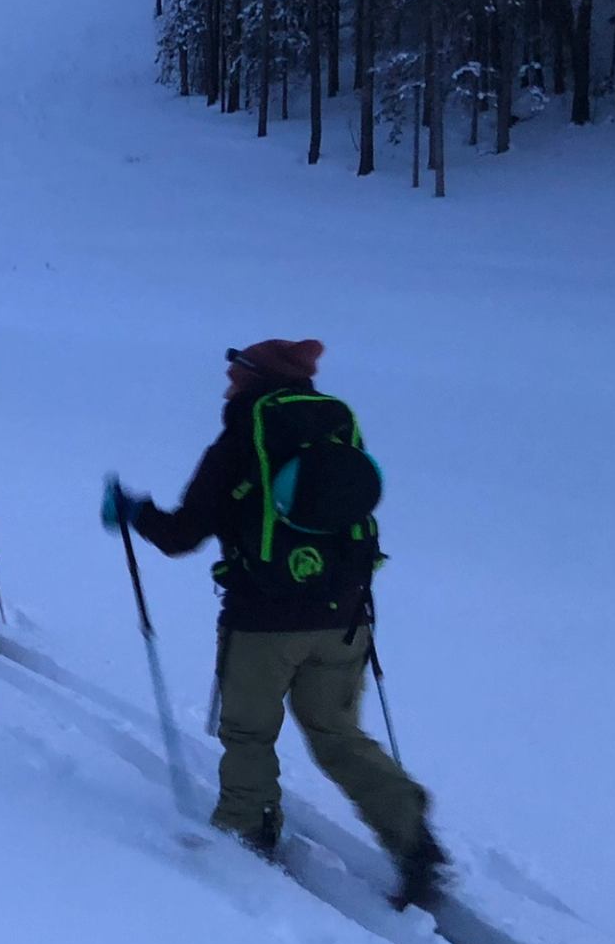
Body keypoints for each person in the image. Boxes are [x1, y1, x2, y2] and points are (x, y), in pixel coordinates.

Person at [102, 338, 446, 909]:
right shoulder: (335, 429)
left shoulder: (241, 441)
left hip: (263, 621)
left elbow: (181, 535)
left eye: (235, 374)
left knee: (249, 733)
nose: (226, 385)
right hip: (345, 616)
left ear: (256, 379)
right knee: (338, 735)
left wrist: (134, 510)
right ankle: (414, 837)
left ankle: (246, 831)